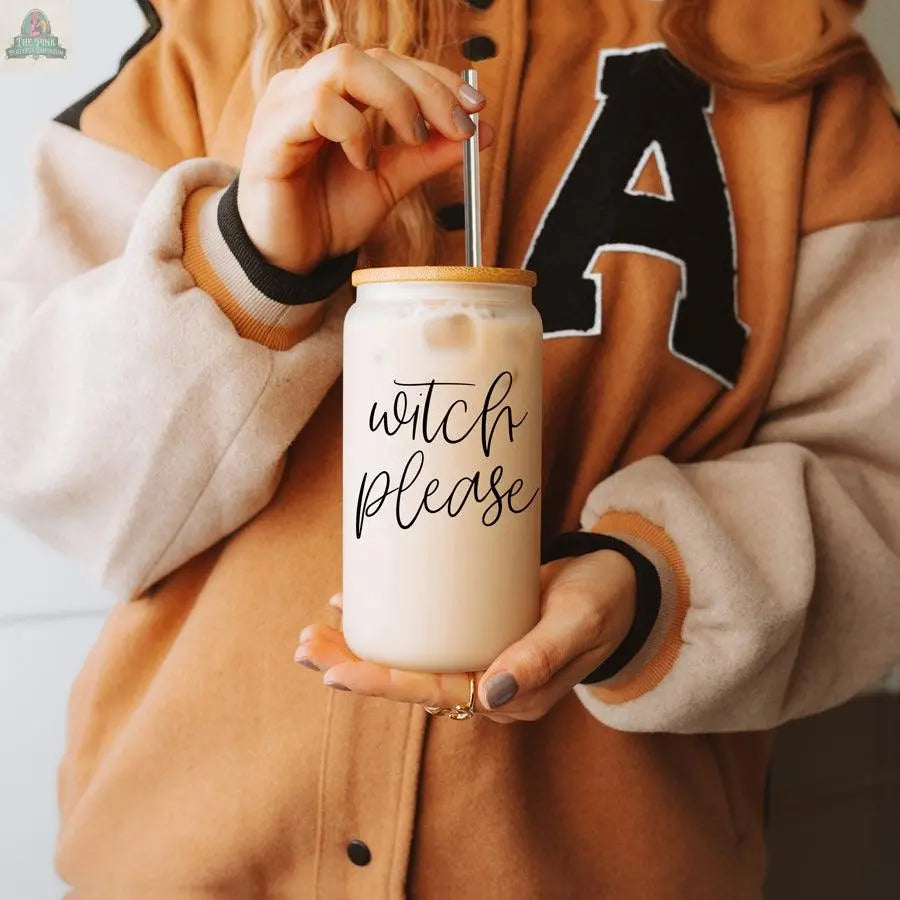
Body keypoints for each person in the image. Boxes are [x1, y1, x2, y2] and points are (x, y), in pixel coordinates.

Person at [1, 0, 897, 896]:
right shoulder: (203, 40)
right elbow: (53, 468)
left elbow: (878, 495)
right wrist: (249, 258)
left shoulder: (792, 63)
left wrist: (654, 586)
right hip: (183, 858)